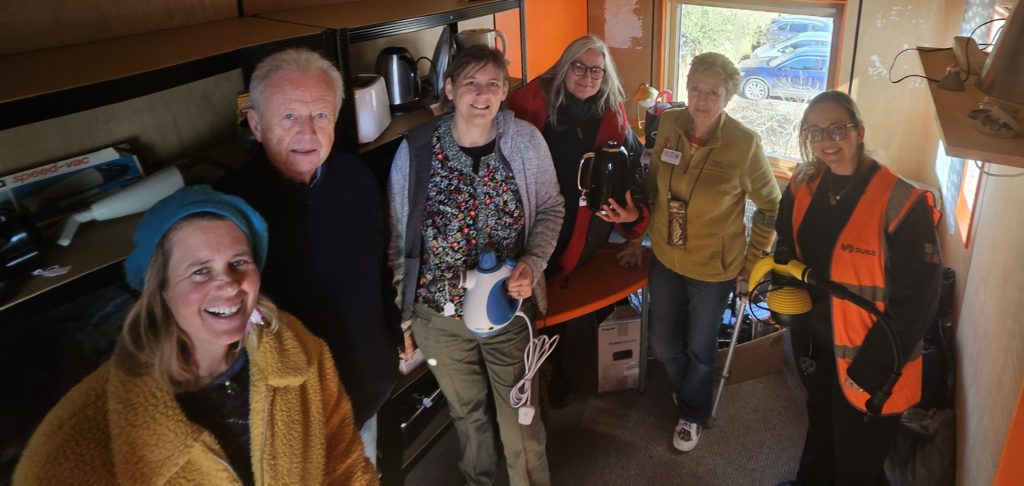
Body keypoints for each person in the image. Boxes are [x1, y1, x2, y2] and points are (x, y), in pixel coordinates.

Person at [13, 186, 376, 485]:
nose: (229, 285)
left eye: (238, 263)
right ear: (160, 290)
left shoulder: (299, 349)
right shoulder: (72, 441)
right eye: (200, 271)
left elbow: (344, 460)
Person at [216, 48, 402, 464]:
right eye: (289, 117)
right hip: (286, 417)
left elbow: (378, 267)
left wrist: (391, 337)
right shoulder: (228, 208)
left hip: (363, 389)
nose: (308, 132)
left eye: (320, 115)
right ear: (256, 125)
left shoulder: (357, 178)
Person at [388, 45, 563, 486]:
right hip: (437, 315)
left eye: (492, 84)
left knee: (521, 422)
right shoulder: (417, 149)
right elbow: (396, 238)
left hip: (508, 308)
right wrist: (402, 315)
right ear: (450, 89)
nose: (481, 94)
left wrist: (532, 262)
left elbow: (550, 208)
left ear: (505, 91)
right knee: (467, 416)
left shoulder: (524, 142)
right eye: (470, 83)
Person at [775, 90, 941, 486]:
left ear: (859, 131)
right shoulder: (803, 185)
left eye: (837, 129)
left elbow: (919, 300)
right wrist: (783, 288)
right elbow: (784, 242)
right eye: (815, 133)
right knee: (820, 420)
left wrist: (873, 367)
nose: (827, 142)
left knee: (859, 457)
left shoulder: (902, 203)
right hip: (814, 339)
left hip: (871, 357)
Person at [642, 52, 781, 452]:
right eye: (695, 89)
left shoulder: (744, 144)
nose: (702, 100)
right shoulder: (668, 123)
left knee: (701, 348)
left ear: (728, 96)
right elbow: (653, 184)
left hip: (714, 266)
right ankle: (690, 390)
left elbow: (771, 206)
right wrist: (640, 237)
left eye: (713, 93)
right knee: (664, 342)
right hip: (667, 256)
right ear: (687, 88)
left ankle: (692, 412)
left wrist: (752, 262)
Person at [508, 34, 651, 409]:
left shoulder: (613, 114)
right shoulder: (528, 107)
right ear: (563, 66)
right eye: (579, 66)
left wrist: (633, 218)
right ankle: (542, 373)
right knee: (538, 304)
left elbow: (634, 174)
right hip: (538, 226)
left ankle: (569, 368)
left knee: (570, 305)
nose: (588, 76)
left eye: (597, 71)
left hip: (588, 232)